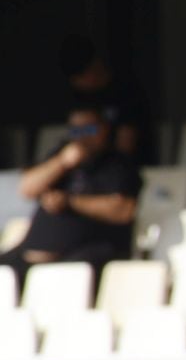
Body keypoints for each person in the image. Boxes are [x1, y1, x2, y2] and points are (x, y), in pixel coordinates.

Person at [0, 103, 140, 277]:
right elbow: (27, 189)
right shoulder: (61, 158)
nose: (82, 137)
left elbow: (123, 210)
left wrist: (69, 202)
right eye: (75, 131)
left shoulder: (116, 164)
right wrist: (62, 162)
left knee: (63, 276)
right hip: (31, 254)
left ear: (103, 129)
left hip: (89, 250)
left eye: (87, 129)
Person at [59, 34, 154, 165]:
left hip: (124, 168)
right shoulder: (79, 97)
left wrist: (97, 133)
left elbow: (125, 147)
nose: (78, 83)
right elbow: (75, 138)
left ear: (95, 65)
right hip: (86, 168)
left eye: (81, 76)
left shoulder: (126, 92)